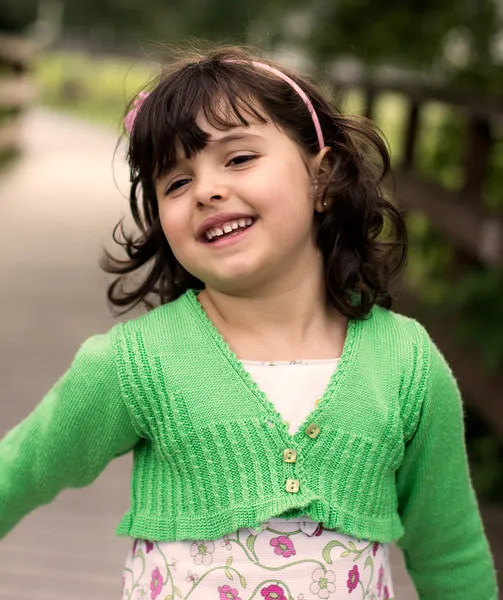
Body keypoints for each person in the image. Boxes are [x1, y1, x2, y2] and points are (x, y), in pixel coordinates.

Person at [0, 44, 498, 600]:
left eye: (238, 159)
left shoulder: (406, 365)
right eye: (177, 183)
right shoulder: (137, 364)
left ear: (323, 178)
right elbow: (19, 471)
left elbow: (450, 553)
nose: (208, 190)